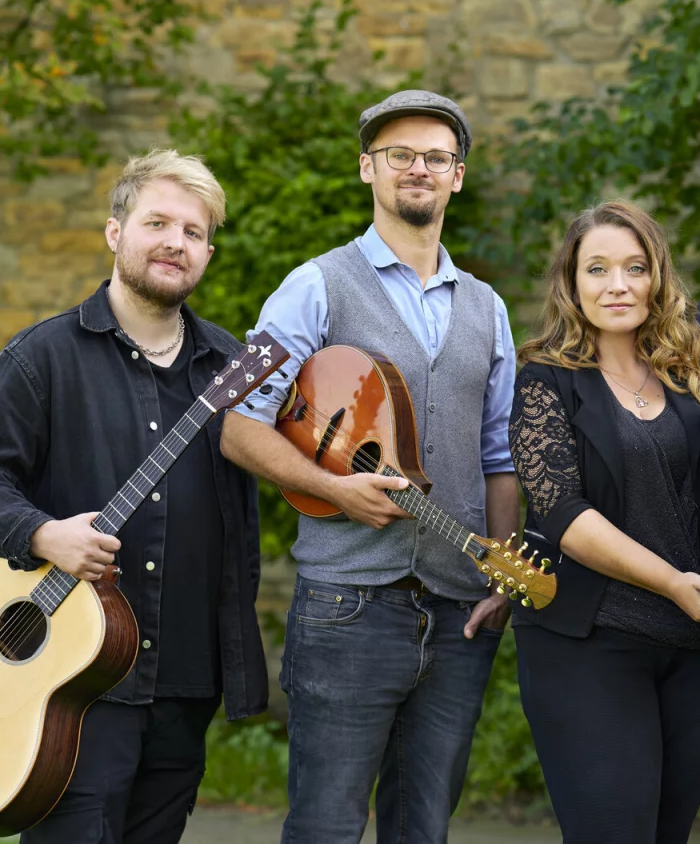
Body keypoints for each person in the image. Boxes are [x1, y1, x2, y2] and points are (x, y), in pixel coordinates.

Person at [0, 148, 268, 844]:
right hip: (72, 680)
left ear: (208, 253)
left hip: (186, 677)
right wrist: (42, 533)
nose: (176, 242)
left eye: (194, 232)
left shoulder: (231, 369)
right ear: (115, 231)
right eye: (158, 223)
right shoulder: (43, 357)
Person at [219, 89, 518, 844]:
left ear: (457, 176)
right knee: (325, 827)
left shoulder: (489, 308)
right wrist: (333, 489)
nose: (418, 168)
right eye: (399, 154)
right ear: (367, 168)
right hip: (345, 607)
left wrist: (501, 575)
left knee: (424, 830)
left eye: (436, 157)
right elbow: (236, 426)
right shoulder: (313, 285)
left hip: (457, 614)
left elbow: (499, 455)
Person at [508, 200, 700, 844]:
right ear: (572, 283)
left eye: (635, 268)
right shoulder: (545, 383)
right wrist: (671, 582)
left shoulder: (692, 377)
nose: (617, 284)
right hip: (590, 642)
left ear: (657, 279)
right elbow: (564, 516)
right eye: (598, 269)